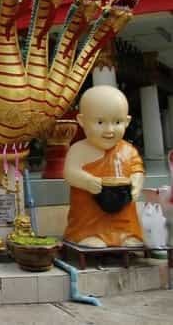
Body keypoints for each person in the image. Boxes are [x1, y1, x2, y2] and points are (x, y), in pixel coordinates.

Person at [63, 85, 144, 247]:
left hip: (123, 211)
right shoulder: (79, 149)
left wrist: (136, 184)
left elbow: (137, 170)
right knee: (88, 220)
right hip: (89, 215)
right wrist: (87, 181)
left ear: (127, 122)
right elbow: (70, 173)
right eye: (100, 122)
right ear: (82, 121)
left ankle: (126, 235)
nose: (109, 130)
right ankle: (85, 235)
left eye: (117, 122)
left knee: (127, 221)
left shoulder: (128, 150)